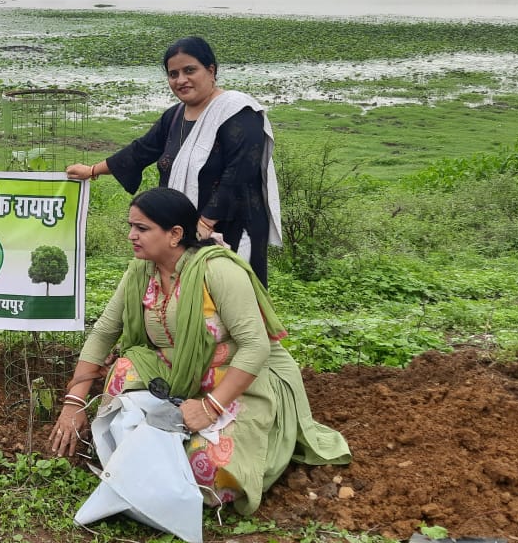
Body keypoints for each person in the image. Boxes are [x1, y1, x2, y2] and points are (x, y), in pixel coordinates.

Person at [49, 188, 349, 515]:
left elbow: (255, 346)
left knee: (207, 470)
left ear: (175, 234)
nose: (131, 235)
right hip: (172, 373)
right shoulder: (139, 272)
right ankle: (132, 462)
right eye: (131, 226)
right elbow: (105, 332)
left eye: (142, 228)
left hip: (233, 380)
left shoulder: (218, 271)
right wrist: (74, 402)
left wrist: (210, 407)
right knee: (123, 373)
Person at [66, 36, 281, 287]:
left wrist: (205, 223)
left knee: (229, 302)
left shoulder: (238, 112)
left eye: (190, 70)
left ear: (211, 70)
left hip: (232, 225)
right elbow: (142, 150)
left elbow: (239, 172)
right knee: (183, 301)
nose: (181, 80)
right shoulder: (175, 116)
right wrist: (92, 170)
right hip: (183, 230)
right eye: (173, 74)